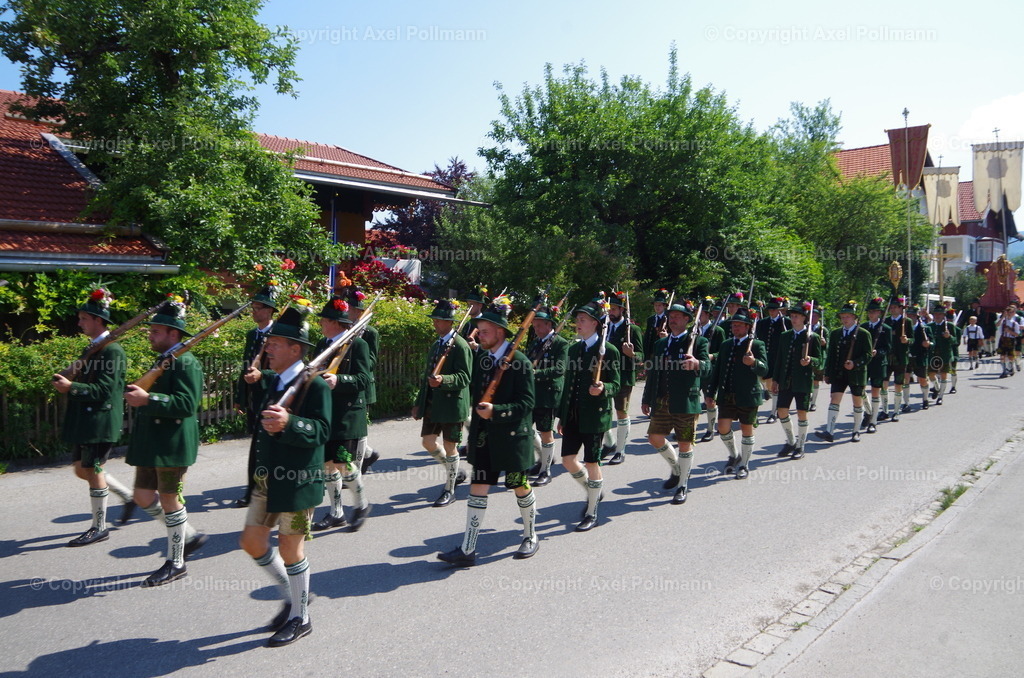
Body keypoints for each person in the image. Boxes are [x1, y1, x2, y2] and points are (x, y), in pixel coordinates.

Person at [238, 305, 330, 647]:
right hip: (267, 479)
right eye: (268, 342)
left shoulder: (315, 385)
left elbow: (321, 431)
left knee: (290, 548)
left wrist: (290, 424)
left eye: (275, 343)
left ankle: (301, 616)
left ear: (296, 349)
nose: (267, 348)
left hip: (298, 481)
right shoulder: (274, 380)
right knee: (251, 542)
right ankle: (292, 595)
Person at [438, 296, 539, 565]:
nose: (479, 335)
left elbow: (527, 404)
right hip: (485, 439)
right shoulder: (482, 358)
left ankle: (530, 535)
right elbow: (476, 400)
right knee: (478, 487)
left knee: (519, 486)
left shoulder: (520, 362)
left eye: (484, 331)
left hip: (514, 438)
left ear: (500, 332)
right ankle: (468, 549)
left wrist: (497, 411)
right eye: (479, 331)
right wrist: (473, 438)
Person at [123, 296, 207, 587]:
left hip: (172, 444)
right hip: (152, 442)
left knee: (170, 500)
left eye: (156, 331)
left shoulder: (186, 362)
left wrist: (149, 399)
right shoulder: (165, 359)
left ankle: (176, 561)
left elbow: (187, 404)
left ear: (174, 334)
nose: (150, 335)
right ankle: (187, 534)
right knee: (143, 497)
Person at [51, 287, 134, 546]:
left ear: (99, 320)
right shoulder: (94, 348)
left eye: (84, 318)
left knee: (93, 469)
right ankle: (127, 496)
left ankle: (99, 527)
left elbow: (107, 391)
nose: (79, 322)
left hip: (100, 420)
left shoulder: (112, 351)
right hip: (87, 421)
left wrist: (71, 388)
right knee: (80, 469)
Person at [306, 295, 371, 532]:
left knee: (343, 463)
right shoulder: (324, 344)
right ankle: (336, 512)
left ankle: (362, 504)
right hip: (325, 412)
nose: (321, 323)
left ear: (335, 322)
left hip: (347, 414)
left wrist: (339, 379)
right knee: (326, 465)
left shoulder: (358, 344)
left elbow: (364, 379)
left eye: (324, 320)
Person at [558, 294, 621, 531]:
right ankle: (594, 490)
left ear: (595, 323)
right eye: (578, 319)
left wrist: (603, 388)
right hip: (573, 415)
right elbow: (567, 386)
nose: (579, 323)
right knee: (567, 461)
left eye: (583, 319)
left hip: (595, 416)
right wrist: (562, 416)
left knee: (592, 462)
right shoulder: (573, 350)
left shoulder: (608, 350)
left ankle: (592, 512)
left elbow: (616, 383)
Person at [641, 300, 710, 503]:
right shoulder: (661, 344)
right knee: (654, 437)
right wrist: (647, 398)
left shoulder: (697, 342)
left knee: (685, 443)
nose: (672, 320)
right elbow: (653, 373)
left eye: (677, 317)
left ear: (687, 320)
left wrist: (697, 363)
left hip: (686, 403)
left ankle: (682, 485)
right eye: (670, 317)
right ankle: (678, 469)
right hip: (662, 401)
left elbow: (707, 368)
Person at [412, 299, 471, 505]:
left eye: (439, 320)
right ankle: (454, 472)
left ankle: (450, 488)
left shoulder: (460, 346)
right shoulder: (437, 344)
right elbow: (426, 377)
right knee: (428, 442)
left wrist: (444, 380)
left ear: (450, 322)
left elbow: (465, 377)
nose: (435, 323)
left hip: (452, 404)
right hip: (432, 403)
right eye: (435, 319)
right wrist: (419, 402)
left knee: (450, 446)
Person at [706, 308, 767, 479]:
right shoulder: (726, 345)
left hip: (748, 395)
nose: (735, 328)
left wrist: (754, 362)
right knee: (723, 428)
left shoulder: (756, 345)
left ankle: (744, 464)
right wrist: (711, 391)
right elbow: (717, 370)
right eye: (733, 325)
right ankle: (734, 455)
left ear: (748, 327)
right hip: (727, 394)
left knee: (747, 430)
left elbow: (765, 369)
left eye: (739, 325)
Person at [234, 282, 279, 508]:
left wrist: (263, 375)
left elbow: (283, 371)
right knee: (256, 446)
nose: (254, 312)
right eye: (253, 308)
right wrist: (240, 397)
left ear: (270, 310)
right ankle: (254, 489)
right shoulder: (253, 334)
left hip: (271, 397)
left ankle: (267, 488)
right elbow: (245, 366)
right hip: (254, 399)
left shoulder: (278, 333)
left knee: (268, 447)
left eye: (259, 308)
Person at [771, 301, 823, 459]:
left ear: (803, 318)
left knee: (802, 413)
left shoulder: (811, 337)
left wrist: (810, 360)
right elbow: (779, 359)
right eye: (792, 316)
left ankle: (800, 445)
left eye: (796, 316)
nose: (793, 319)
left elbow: (820, 361)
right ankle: (791, 440)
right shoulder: (785, 336)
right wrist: (775, 379)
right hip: (786, 380)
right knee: (781, 411)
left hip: (803, 381)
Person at [815, 301, 873, 443]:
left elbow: (868, 355)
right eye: (842, 317)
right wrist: (827, 373)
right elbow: (831, 355)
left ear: (854, 318)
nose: (844, 319)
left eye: (847, 316)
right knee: (834, 399)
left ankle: (856, 430)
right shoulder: (836, 333)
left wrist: (855, 363)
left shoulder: (864, 333)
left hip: (857, 373)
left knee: (857, 401)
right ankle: (829, 431)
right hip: (839, 373)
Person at [526, 302, 568, 487]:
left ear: (549, 325)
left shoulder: (561, 343)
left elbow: (560, 369)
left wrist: (536, 373)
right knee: (526, 429)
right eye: (534, 325)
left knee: (545, 432)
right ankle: (543, 459)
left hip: (549, 393)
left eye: (539, 324)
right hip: (532, 393)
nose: (535, 328)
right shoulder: (536, 342)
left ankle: (546, 470)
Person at [603, 291, 644, 465]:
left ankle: (621, 450)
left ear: (621, 310)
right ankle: (610, 443)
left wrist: (632, 353)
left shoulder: (632, 329)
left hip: (624, 376)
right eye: (609, 309)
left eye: (613, 309)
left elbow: (642, 357)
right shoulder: (603, 326)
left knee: (621, 412)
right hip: (605, 374)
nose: (610, 312)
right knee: (603, 410)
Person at [756, 296, 791, 424]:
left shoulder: (786, 322)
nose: (772, 311)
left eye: (775, 309)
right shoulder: (762, 323)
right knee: (762, 382)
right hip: (764, 357)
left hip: (779, 358)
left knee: (775, 385)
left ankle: (773, 412)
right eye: (770, 309)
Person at [860, 297, 892, 434]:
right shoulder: (863, 327)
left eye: (874, 312)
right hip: (865, 364)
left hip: (879, 364)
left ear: (879, 313)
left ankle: (873, 421)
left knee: (875, 392)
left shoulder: (886, 328)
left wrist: (878, 352)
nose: (871, 314)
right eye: (869, 312)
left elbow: (888, 348)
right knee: (860, 390)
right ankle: (868, 411)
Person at [697, 300, 726, 442]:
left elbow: (723, 352)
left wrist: (712, 356)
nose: (698, 317)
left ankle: (710, 429)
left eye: (701, 314)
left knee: (710, 400)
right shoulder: (693, 330)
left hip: (710, 371)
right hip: (695, 370)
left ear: (708, 315)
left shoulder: (718, 331)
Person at [883, 297, 913, 421]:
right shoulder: (886, 321)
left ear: (901, 308)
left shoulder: (907, 321)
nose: (892, 309)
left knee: (898, 384)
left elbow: (913, 339)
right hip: (887, 358)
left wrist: (907, 340)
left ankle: (896, 411)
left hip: (901, 358)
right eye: (891, 307)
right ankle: (884, 411)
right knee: (883, 384)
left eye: (895, 307)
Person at [907, 306, 933, 408]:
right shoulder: (904, 328)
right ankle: (906, 403)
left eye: (912, 315)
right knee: (906, 378)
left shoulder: (925, 328)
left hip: (920, 356)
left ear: (916, 317)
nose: (910, 317)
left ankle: (925, 399)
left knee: (922, 379)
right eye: (908, 315)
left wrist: (928, 344)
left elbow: (932, 342)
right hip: (907, 356)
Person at [643, 288, 671, 363]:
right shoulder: (650, 319)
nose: (657, 307)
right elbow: (647, 337)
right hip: (651, 352)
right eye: (655, 305)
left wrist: (666, 335)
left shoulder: (669, 319)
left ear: (664, 306)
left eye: (659, 305)